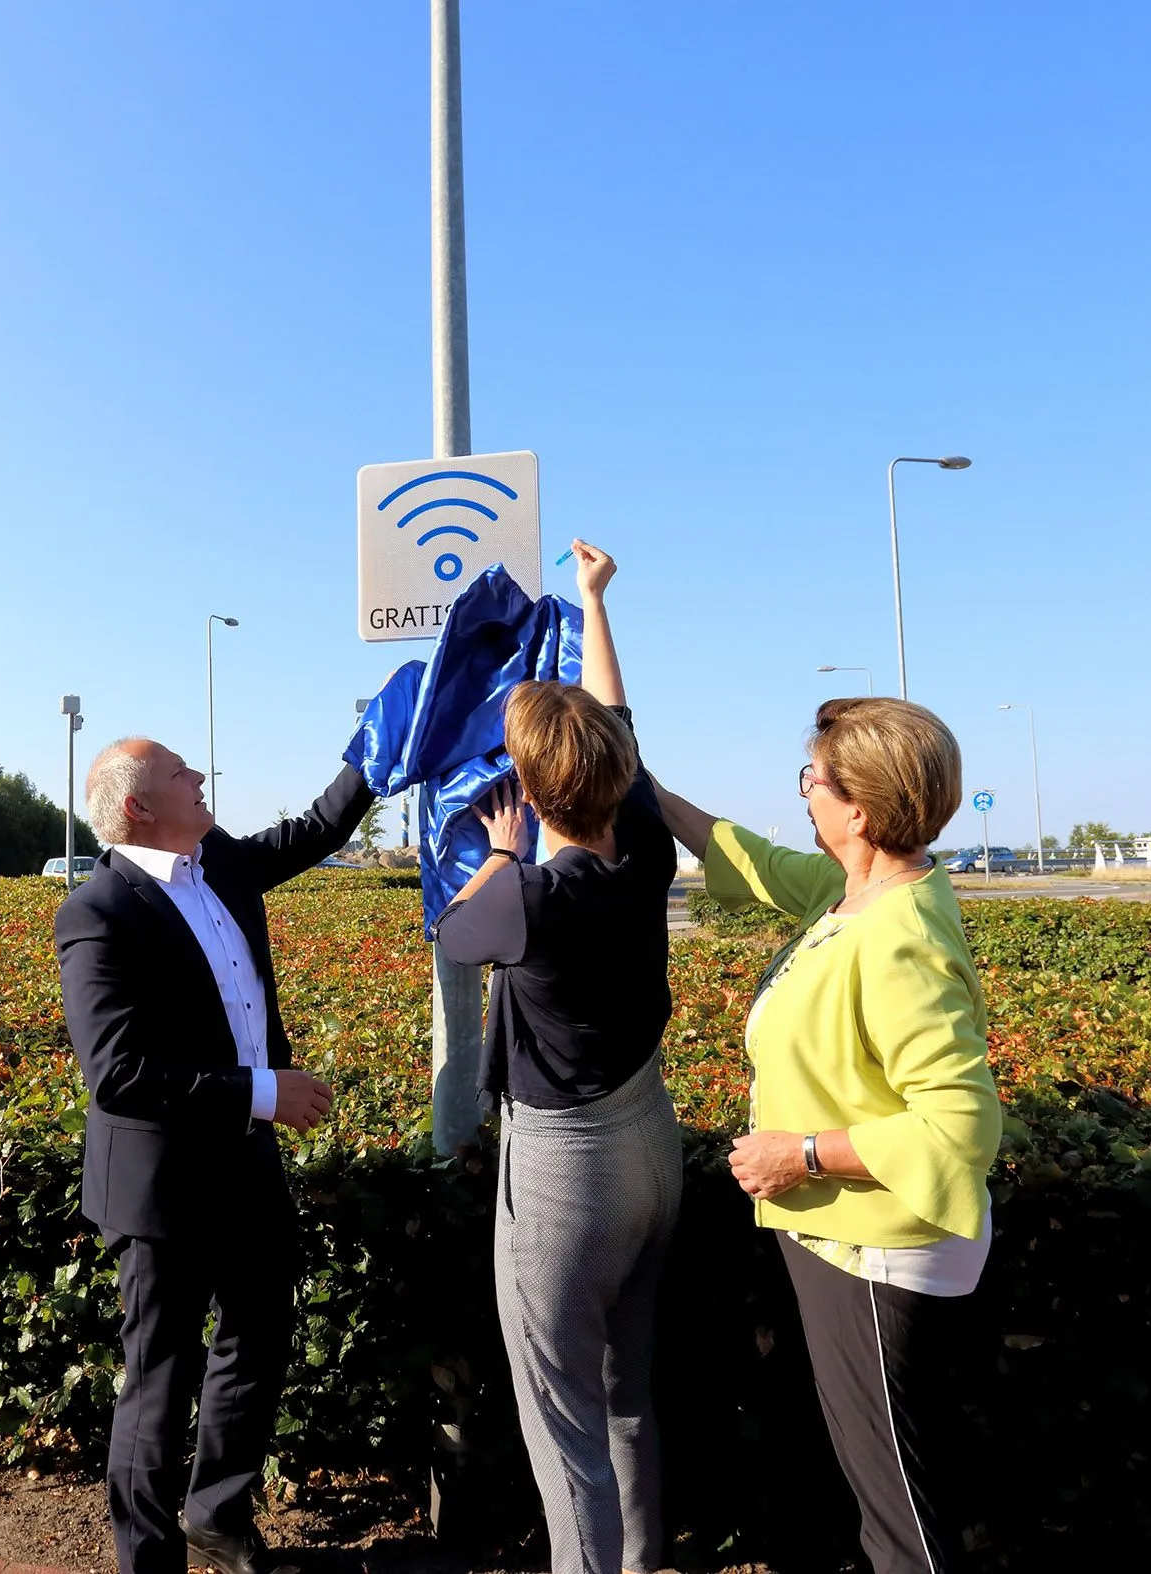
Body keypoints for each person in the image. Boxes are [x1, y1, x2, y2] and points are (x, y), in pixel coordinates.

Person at [653, 698, 1001, 1574]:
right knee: (864, 1473)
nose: (803, 794)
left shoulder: (896, 936)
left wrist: (799, 1152)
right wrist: (646, 791)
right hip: (839, 1235)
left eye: (813, 780)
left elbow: (958, 1127)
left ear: (861, 810)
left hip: (877, 1248)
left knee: (899, 1510)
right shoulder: (862, 890)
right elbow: (754, 862)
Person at [56, 735, 374, 1574]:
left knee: (259, 1339)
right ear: (137, 809)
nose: (199, 777)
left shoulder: (219, 863)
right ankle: (148, 1560)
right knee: (158, 1380)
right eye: (179, 773)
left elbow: (311, 831)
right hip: (159, 1189)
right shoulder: (97, 912)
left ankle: (218, 1513)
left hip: (245, 1167)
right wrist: (265, 1091)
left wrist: (376, 758)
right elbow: (117, 1074)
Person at [435, 541, 683, 1574]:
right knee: (627, 1388)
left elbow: (454, 935)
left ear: (530, 793)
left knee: (561, 1415)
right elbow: (613, 720)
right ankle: (641, 1555)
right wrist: (591, 602)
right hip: (649, 1142)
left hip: (563, 1169)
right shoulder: (647, 845)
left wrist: (499, 844)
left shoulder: (530, 897)